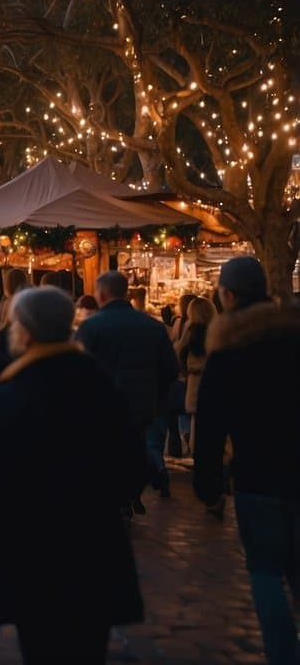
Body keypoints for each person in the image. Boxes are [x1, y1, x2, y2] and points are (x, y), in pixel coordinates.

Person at [0, 286, 146, 664]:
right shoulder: (100, 387)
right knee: (89, 648)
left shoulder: (11, 396)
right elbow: (132, 464)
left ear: (24, 332)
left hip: (32, 549)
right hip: (94, 544)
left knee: (40, 646)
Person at [193, 257, 300, 665]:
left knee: (267, 572)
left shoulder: (229, 352)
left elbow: (210, 425)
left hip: (258, 477)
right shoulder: (293, 338)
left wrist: (209, 484)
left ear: (229, 295)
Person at [76, 270, 178, 508]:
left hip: (102, 408)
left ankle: (117, 499)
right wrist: (154, 394)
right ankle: (131, 492)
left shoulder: (91, 328)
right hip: (143, 406)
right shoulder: (153, 327)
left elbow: (78, 371)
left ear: (101, 295)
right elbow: (171, 369)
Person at [174, 295, 216, 458]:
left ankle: (191, 448)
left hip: (193, 380)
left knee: (191, 417)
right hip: (212, 380)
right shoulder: (216, 330)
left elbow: (180, 352)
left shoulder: (190, 332)